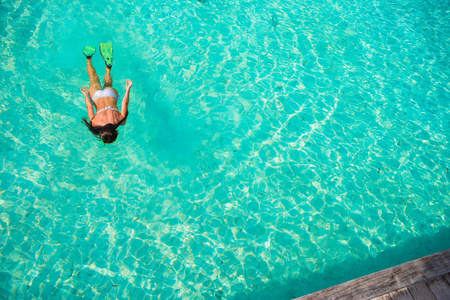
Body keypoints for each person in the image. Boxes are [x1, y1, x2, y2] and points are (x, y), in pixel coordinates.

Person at [80, 43, 133, 144]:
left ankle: (108, 69)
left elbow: (124, 103)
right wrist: (86, 95)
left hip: (111, 94)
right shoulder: (94, 124)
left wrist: (128, 89)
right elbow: (90, 107)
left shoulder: (121, 121)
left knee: (108, 84)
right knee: (93, 78)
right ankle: (88, 57)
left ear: (115, 132)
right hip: (96, 96)